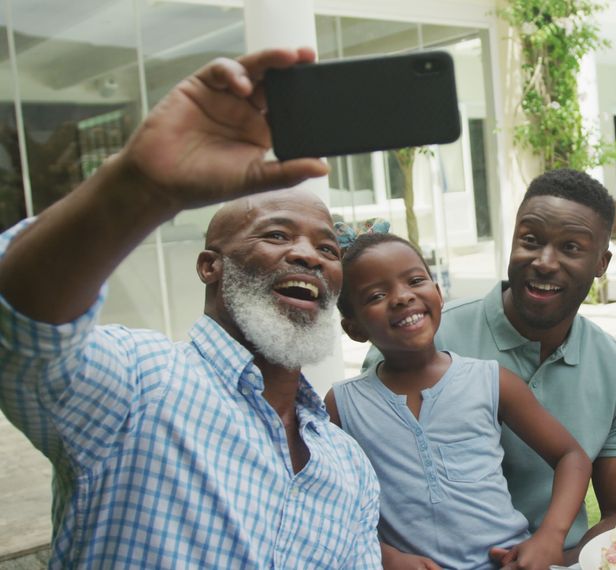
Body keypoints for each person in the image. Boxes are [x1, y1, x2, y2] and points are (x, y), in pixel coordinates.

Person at [0, 48, 380, 567]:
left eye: (329, 250)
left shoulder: (349, 466)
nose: (307, 256)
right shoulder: (138, 381)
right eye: (276, 234)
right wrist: (142, 187)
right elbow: (22, 327)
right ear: (210, 267)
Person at [363, 168, 616, 563]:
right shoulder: (417, 339)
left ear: (602, 263)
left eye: (571, 247)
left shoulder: (614, 367)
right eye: (530, 240)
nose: (545, 262)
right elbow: (354, 489)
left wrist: (556, 561)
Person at [326, 232, 591, 570]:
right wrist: (384, 555)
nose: (402, 297)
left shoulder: (491, 381)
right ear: (354, 328)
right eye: (377, 295)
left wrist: (550, 537)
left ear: (437, 294)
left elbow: (572, 457)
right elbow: (326, 501)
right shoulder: (342, 406)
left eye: (415, 280)